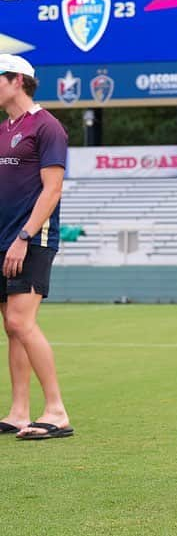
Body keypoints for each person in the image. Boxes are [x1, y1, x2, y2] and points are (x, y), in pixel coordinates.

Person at [0, 54, 73, 440]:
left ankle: (57, 411)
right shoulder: (4, 129)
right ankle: (18, 412)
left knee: (20, 322)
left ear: (16, 80)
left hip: (31, 239)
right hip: (2, 239)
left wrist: (24, 237)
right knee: (11, 328)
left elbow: (53, 189)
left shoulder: (48, 127)